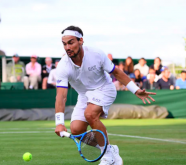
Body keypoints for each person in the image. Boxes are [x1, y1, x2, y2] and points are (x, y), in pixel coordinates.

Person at [54, 26, 155, 165]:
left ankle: (107, 156)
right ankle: (109, 149)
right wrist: (59, 123)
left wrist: (135, 90)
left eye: (71, 42)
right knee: (77, 130)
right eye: (64, 44)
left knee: (90, 114)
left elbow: (117, 72)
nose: (67, 47)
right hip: (84, 95)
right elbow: (61, 96)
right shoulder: (63, 66)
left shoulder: (96, 54)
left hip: (104, 89)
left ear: (81, 41)